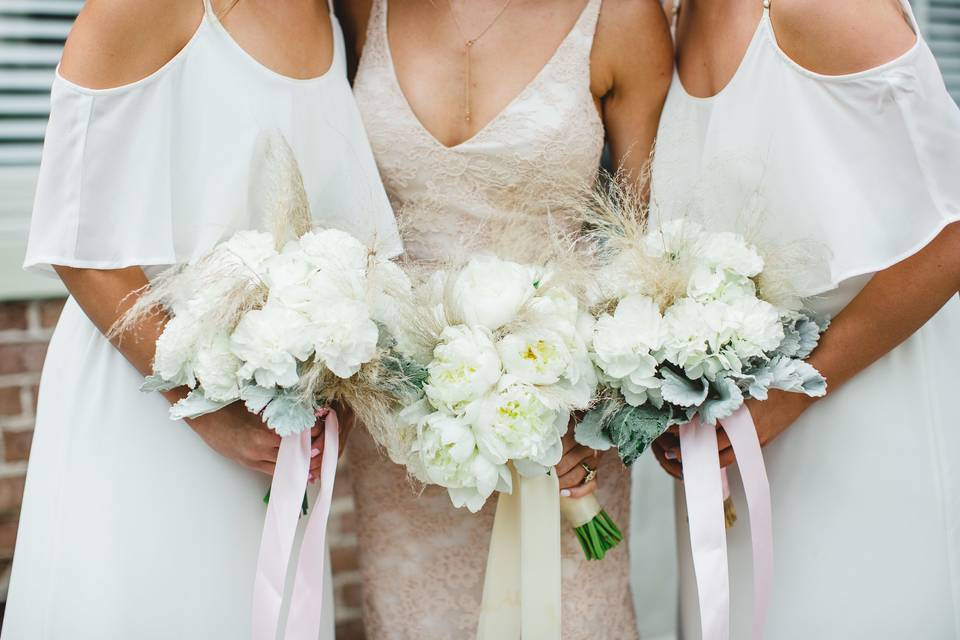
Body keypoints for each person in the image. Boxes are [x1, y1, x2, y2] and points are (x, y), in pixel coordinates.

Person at [3, 1, 401, 637]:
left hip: (275, 435)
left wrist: (335, 395)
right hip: (144, 405)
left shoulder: (331, 17)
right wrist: (206, 407)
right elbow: (76, 240)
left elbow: (342, 239)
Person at [335, 0, 673, 636]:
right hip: (403, 423)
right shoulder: (364, 8)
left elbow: (643, 249)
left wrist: (592, 406)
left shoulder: (621, 16)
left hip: (563, 412)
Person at [648, 0, 960, 637]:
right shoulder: (672, 20)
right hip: (726, 460)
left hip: (860, 432)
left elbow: (954, 230)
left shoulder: (826, 9)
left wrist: (787, 398)